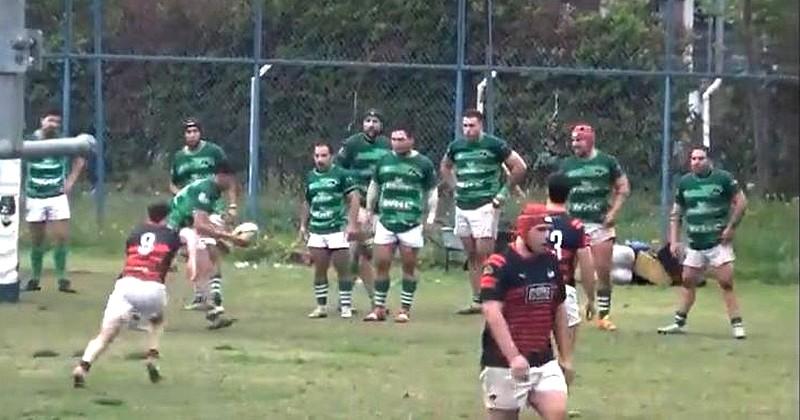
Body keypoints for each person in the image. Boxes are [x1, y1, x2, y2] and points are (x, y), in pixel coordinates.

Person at [72, 203, 193, 387]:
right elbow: (175, 258)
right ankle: (151, 356)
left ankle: (83, 366)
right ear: (166, 217)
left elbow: (133, 256)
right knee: (157, 321)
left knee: (105, 334)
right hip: (153, 287)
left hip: (126, 284)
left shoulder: (134, 233)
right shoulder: (172, 236)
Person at [479, 203, 573, 420]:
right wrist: (513, 357)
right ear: (523, 230)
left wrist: (566, 357)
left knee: (557, 413)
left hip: (543, 359)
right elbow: (492, 313)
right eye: (540, 230)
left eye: (548, 230)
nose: (546, 236)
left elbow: (558, 308)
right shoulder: (499, 264)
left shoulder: (551, 261)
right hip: (502, 363)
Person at [440, 109, 527, 315]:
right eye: (465, 126)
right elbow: (445, 166)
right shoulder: (456, 146)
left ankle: (494, 295)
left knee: (484, 253)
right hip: (463, 205)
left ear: (481, 126)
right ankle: (477, 298)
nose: (468, 130)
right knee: (470, 254)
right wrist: (454, 186)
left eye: (472, 126)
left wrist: (503, 193)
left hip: (485, 205)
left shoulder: (494, 145)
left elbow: (520, 166)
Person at [658, 145, 748, 339]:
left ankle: (737, 324)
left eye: (700, 158)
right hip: (695, 243)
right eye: (693, 159)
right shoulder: (685, 183)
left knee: (725, 282)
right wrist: (673, 241)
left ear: (709, 161)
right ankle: (679, 322)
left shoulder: (723, 179)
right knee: (687, 281)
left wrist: (731, 227)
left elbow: (741, 202)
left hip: (718, 243)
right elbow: (676, 213)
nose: (696, 162)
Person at [362, 125, 437, 322]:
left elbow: (431, 192)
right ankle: (379, 308)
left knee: (408, 266)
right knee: (381, 263)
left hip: (410, 222)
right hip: (386, 220)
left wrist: (430, 218)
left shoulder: (423, 163)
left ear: (411, 140)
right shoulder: (384, 161)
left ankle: (405, 309)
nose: (396, 143)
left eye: (400, 139)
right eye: (393, 139)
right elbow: (375, 185)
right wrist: (370, 209)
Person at [559, 123, 629, 331]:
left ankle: (603, 316)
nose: (574, 144)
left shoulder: (607, 162)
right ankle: (568, 312)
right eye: (572, 140)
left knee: (603, 271)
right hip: (573, 223)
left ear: (590, 140)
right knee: (566, 270)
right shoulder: (567, 164)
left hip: (599, 223)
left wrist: (613, 212)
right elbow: (556, 192)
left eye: (578, 140)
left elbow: (623, 188)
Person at [166, 161, 247, 328]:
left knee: (207, 260)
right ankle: (135, 311)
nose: (233, 185)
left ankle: (214, 312)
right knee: (161, 268)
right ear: (222, 176)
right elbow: (200, 225)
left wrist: (221, 237)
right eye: (231, 181)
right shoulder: (207, 190)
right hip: (173, 226)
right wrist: (230, 238)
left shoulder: (212, 190)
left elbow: (203, 222)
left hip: (183, 226)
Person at [169, 117, 238, 311]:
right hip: (189, 209)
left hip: (211, 207)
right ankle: (201, 296)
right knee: (194, 249)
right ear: (184, 135)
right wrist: (183, 195)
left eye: (195, 131)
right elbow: (172, 182)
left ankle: (215, 296)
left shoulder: (214, 152)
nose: (192, 135)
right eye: (188, 132)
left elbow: (229, 178)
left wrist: (232, 206)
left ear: (201, 133)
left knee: (209, 249)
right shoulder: (179, 157)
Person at [23, 109, 86, 293]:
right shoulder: (30, 141)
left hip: (56, 196)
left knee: (61, 237)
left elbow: (80, 157)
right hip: (35, 196)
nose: (54, 125)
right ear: (42, 120)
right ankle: (35, 278)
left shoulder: (62, 141)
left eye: (57, 122)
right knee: (37, 240)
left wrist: (70, 181)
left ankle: (62, 279)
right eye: (50, 120)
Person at [334, 108, 392, 302]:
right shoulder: (352, 144)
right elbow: (338, 169)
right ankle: (350, 297)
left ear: (381, 125)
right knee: (353, 251)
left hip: (379, 206)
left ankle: (371, 298)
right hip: (357, 205)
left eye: (375, 121)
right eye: (367, 120)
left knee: (367, 254)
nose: (371, 124)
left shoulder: (388, 145)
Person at [300, 142, 360, 319]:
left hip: (336, 228)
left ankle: (346, 306)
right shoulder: (311, 177)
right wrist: (303, 225)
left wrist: (351, 223)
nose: (320, 159)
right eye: (317, 156)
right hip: (317, 229)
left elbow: (354, 198)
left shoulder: (341, 175)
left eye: (324, 155)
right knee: (319, 268)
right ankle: (321, 306)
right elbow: (307, 202)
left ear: (331, 156)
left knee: (342, 268)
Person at [543, 172, 596, 355]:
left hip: (535, 288)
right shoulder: (575, 227)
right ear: (569, 195)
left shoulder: (534, 221)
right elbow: (587, 266)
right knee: (564, 357)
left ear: (547, 192)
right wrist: (591, 299)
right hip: (564, 290)